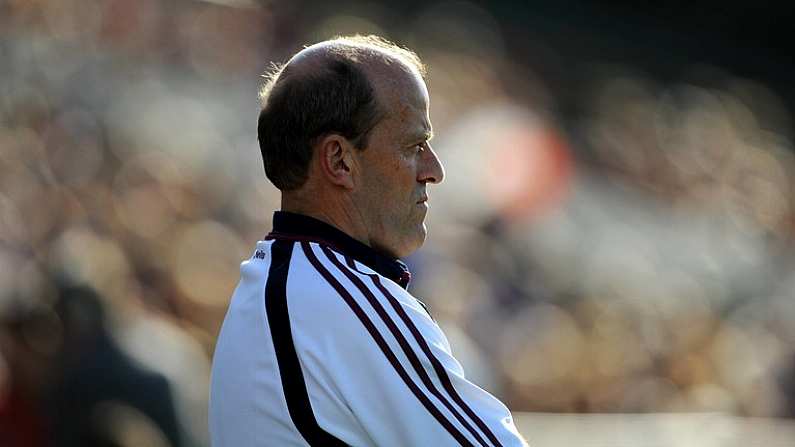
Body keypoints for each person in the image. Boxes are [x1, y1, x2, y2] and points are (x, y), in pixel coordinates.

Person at [209, 35, 527, 446]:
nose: (434, 170)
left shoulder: (288, 280)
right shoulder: (342, 298)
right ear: (340, 160)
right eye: (414, 146)